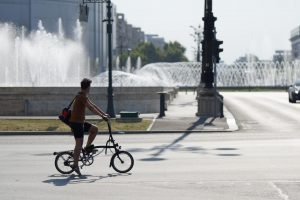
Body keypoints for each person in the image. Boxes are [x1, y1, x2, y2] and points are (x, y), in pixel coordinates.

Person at [69, 78, 109, 175]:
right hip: (76, 123)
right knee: (79, 144)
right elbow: (90, 108)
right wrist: (102, 116)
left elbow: (93, 105)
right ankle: (75, 165)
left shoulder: (83, 95)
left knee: (94, 129)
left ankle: (87, 147)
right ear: (87, 87)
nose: (90, 88)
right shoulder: (81, 97)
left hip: (80, 122)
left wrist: (104, 114)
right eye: (90, 86)